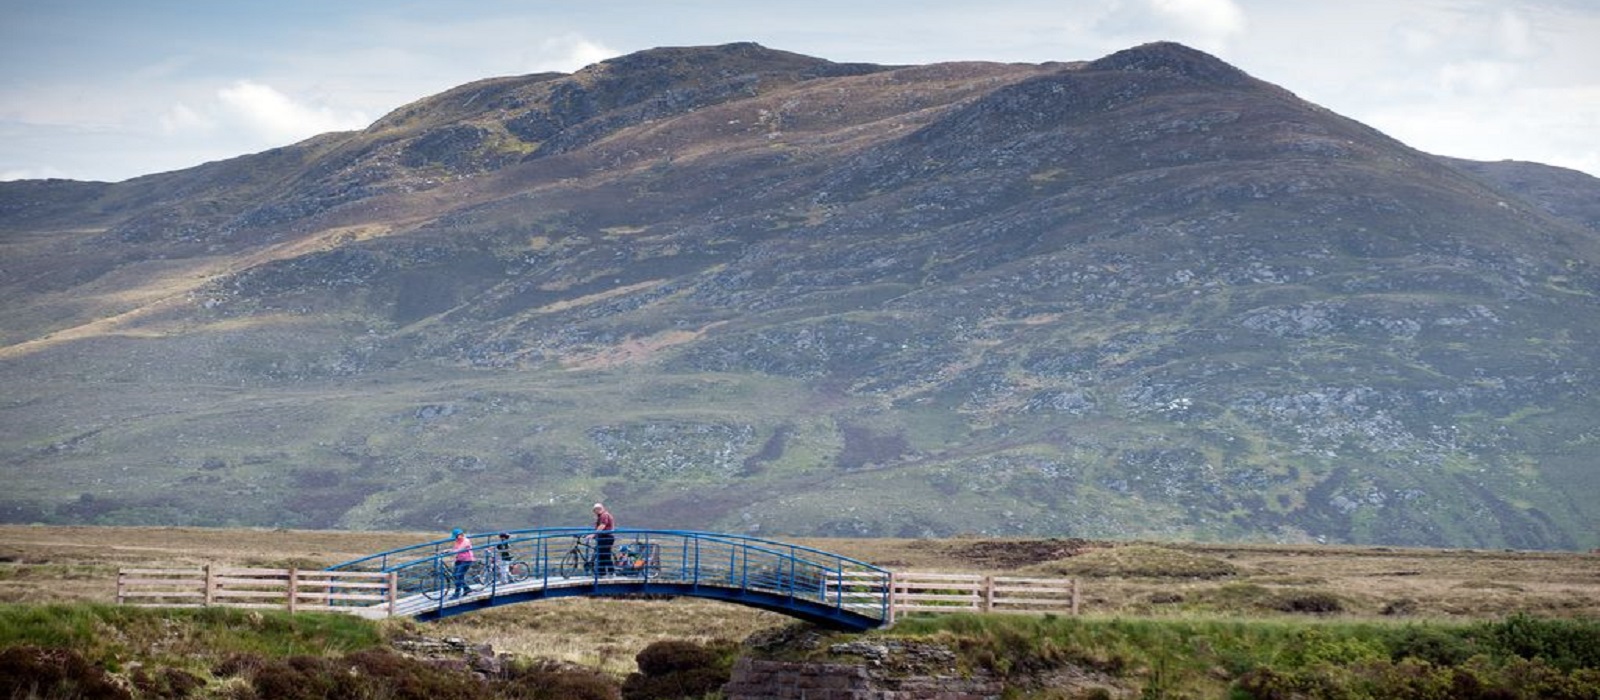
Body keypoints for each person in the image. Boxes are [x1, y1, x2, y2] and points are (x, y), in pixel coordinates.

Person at [448, 528, 474, 598]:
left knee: (458, 575)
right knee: (455, 575)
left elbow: (459, 549)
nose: (455, 538)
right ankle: (467, 589)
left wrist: (452, 551)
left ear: (460, 535)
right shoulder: (457, 541)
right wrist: (447, 550)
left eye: (456, 536)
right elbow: (455, 549)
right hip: (459, 559)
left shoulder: (466, 541)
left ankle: (457, 593)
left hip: (467, 560)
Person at [591, 503, 615, 576]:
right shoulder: (601, 515)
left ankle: (609, 572)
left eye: (599, 508)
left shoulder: (604, 515)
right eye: (596, 509)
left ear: (602, 508)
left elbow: (602, 525)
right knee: (602, 555)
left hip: (606, 537)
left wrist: (594, 534)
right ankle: (602, 572)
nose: (597, 510)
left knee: (605, 555)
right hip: (603, 537)